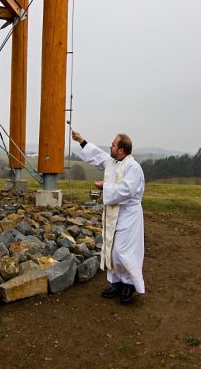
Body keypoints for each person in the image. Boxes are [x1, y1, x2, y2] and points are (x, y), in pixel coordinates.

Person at [71, 130, 145, 303]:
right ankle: (117, 283)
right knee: (112, 250)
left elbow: (127, 190)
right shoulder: (113, 162)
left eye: (113, 144)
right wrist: (81, 140)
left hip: (128, 215)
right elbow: (97, 155)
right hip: (114, 213)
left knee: (122, 251)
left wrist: (105, 187)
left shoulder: (133, 167)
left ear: (121, 150)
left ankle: (129, 285)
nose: (110, 146)